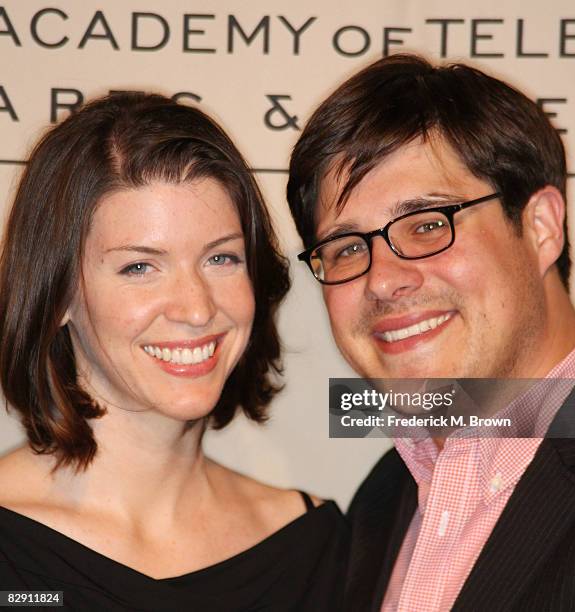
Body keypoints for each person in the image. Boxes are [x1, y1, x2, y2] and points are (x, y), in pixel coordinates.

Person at [0, 93, 348, 611]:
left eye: (222, 258)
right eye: (139, 267)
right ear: (58, 297)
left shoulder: (316, 546)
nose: (195, 307)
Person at [287, 54, 575, 611]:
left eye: (427, 225)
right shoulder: (384, 496)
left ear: (541, 227)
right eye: (348, 247)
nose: (383, 280)